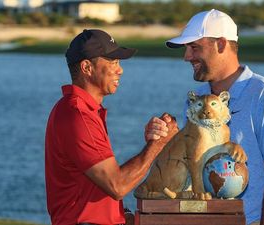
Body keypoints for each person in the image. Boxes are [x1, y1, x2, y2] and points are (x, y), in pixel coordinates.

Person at [147, 9, 264, 225]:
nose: (186, 57)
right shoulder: (194, 101)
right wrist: (161, 142)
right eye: (186, 49)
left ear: (222, 44)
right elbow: (190, 163)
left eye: (194, 47)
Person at [44, 29, 176, 225]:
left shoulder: (83, 111)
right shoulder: (77, 115)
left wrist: (121, 216)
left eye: (119, 62)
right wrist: (158, 144)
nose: (120, 69)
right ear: (87, 67)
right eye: (113, 62)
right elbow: (117, 185)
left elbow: (93, 186)